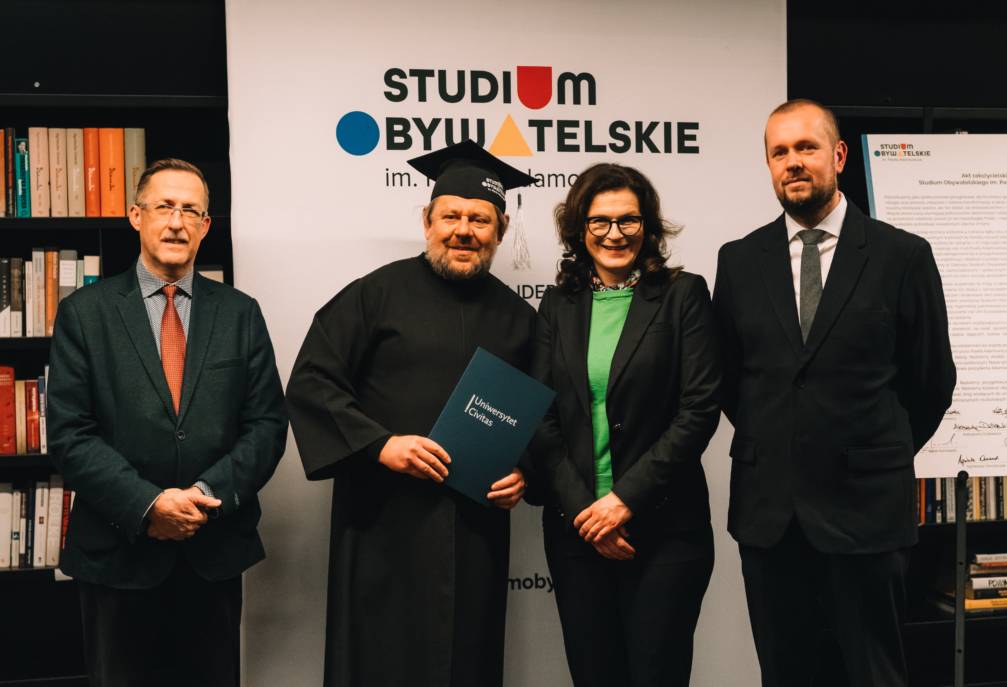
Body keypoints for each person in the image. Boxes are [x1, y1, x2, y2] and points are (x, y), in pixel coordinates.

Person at [712, 100, 956, 686]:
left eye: (806, 147)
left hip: (866, 508)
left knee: (875, 673)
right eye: (779, 152)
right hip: (770, 514)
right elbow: (730, 379)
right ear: (769, 165)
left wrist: (875, 451)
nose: (792, 162)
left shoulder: (903, 255)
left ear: (839, 155)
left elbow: (931, 382)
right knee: (785, 673)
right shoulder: (739, 260)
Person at [285, 140, 537, 687]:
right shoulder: (376, 294)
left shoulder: (520, 319)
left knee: (467, 660)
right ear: (427, 220)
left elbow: (542, 420)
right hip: (382, 522)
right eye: (451, 216)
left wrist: (525, 473)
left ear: (500, 229)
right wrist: (381, 445)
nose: (464, 230)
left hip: (475, 533)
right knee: (380, 659)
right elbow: (313, 379)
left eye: (479, 219)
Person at [47, 158, 289, 687]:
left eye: (190, 211)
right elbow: (69, 434)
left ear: (205, 225)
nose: (177, 222)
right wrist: (148, 505)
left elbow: (268, 425)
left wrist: (204, 495)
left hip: (212, 551)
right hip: (116, 553)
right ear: (136, 216)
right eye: (164, 207)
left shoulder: (241, 313)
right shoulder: (84, 313)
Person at [530, 163, 723, 686]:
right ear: (580, 229)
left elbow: (699, 409)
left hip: (664, 531)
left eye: (628, 220)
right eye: (600, 221)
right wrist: (586, 512)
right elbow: (541, 416)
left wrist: (623, 501)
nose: (614, 233)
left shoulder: (683, 295)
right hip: (577, 532)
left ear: (648, 226)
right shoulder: (558, 304)